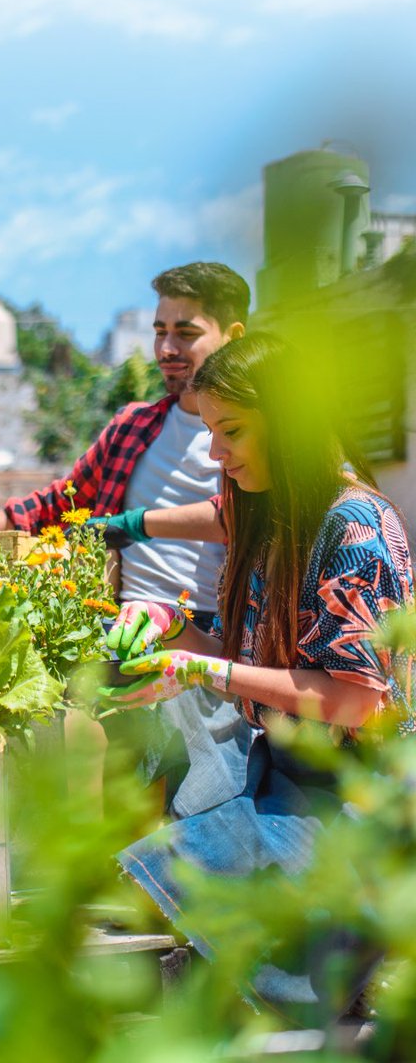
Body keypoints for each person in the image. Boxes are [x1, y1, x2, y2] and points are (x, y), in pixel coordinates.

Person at [105, 332, 414, 1020]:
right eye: (212, 432)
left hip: (369, 800)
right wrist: (170, 626)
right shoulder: (271, 515)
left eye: (233, 430)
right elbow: (252, 662)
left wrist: (199, 666)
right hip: (292, 774)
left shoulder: (354, 525)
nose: (216, 453)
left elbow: (357, 702)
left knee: (198, 896)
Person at [0, 261, 254, 816]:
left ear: (233, 335)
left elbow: (245, 516)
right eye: (159, 331)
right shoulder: (134, 426)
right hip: (120, 624)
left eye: (186, 332)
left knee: (159, 770)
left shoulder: (247, 436)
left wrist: (136, 522)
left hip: (208, 633)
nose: (167, 348)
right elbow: (55, 504)